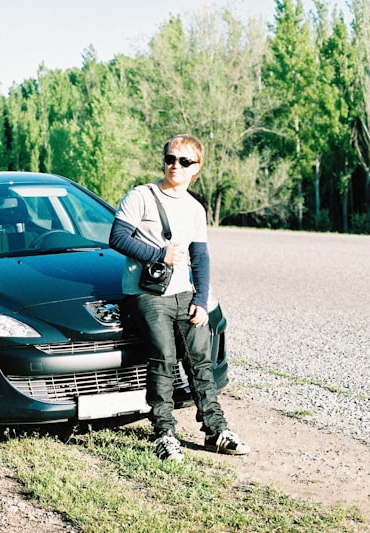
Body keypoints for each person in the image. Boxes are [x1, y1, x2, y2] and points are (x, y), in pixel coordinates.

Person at [109, 134, 249, 462]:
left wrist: (200, 299)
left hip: (183, 294)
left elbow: (200, 258)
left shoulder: (195, 209)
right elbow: (116, 237)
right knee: (163, 357)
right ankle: (165, 434)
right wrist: (159, 254)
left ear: (196, 169)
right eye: (171, 158)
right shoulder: (141, 196)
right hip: (146, 293)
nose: (176, 165)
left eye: (184, 161)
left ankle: (217, 430)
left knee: (200, 360)